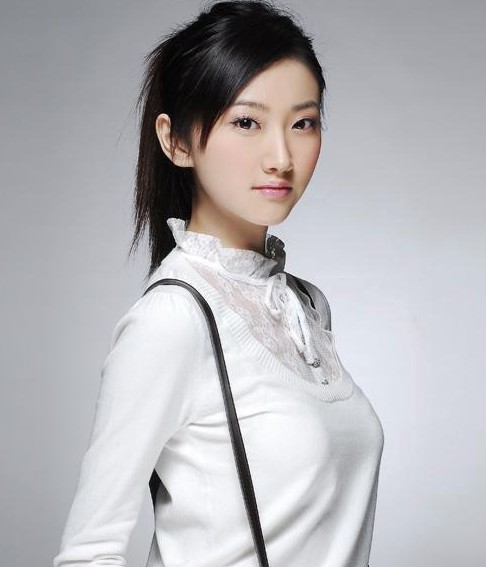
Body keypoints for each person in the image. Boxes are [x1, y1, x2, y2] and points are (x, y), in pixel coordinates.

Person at [53, 1, 384, 566]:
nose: (281, 157)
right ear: (176, 141)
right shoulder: (173, 320)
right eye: (246, 122)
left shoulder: (306, 307)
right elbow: (88, 552)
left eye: (303, 123)